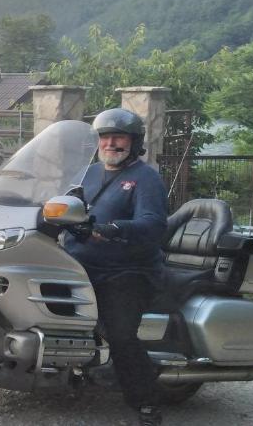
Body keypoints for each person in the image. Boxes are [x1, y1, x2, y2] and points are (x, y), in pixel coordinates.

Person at [64, 108, 167, 426]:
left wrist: (115, 228)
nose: (110, 143)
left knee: (121, 334)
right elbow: (62, 202)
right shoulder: (90, 173)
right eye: (104, 137)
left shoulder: (145, 178)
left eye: (118, 137)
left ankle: (146, 402)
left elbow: (153, 224)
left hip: (126, 271)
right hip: (80, 264)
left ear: (134, 142)